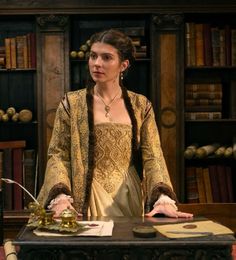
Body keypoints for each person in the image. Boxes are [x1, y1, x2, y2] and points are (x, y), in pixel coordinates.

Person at [37, 29, 193, 219]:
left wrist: (162, 198)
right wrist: (60, 197)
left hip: (128, 194)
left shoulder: (140, 105)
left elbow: (153, 155)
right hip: (88, 195)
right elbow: (58, 154)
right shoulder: (72, 104)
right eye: (93, 56)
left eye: (106, 58)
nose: (97, 64)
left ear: (123, 65)